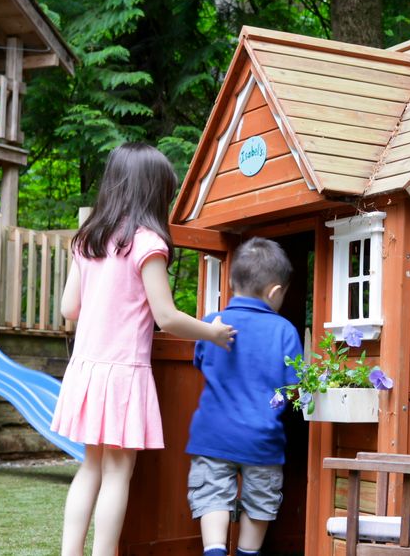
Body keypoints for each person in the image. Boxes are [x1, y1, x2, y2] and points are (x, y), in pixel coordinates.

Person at [52, 142, 236, 556]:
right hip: (122, 373)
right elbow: (166, 316)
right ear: (153, 193)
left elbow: (68, 309)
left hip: (86, 368)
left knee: (90, 467)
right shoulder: (147, 242)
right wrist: (214, 333)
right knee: (118, 473)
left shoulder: (87, 240)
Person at [186, 237, 302, 556]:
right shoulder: (284, 331)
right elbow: (294, 388)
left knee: (211, 493)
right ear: (275, 292)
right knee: (261, 501)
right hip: (261, 438)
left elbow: (200, 362)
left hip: (213, 433)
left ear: (232, 282)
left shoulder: (212, 323)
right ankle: (248, 552)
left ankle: (214, 550)